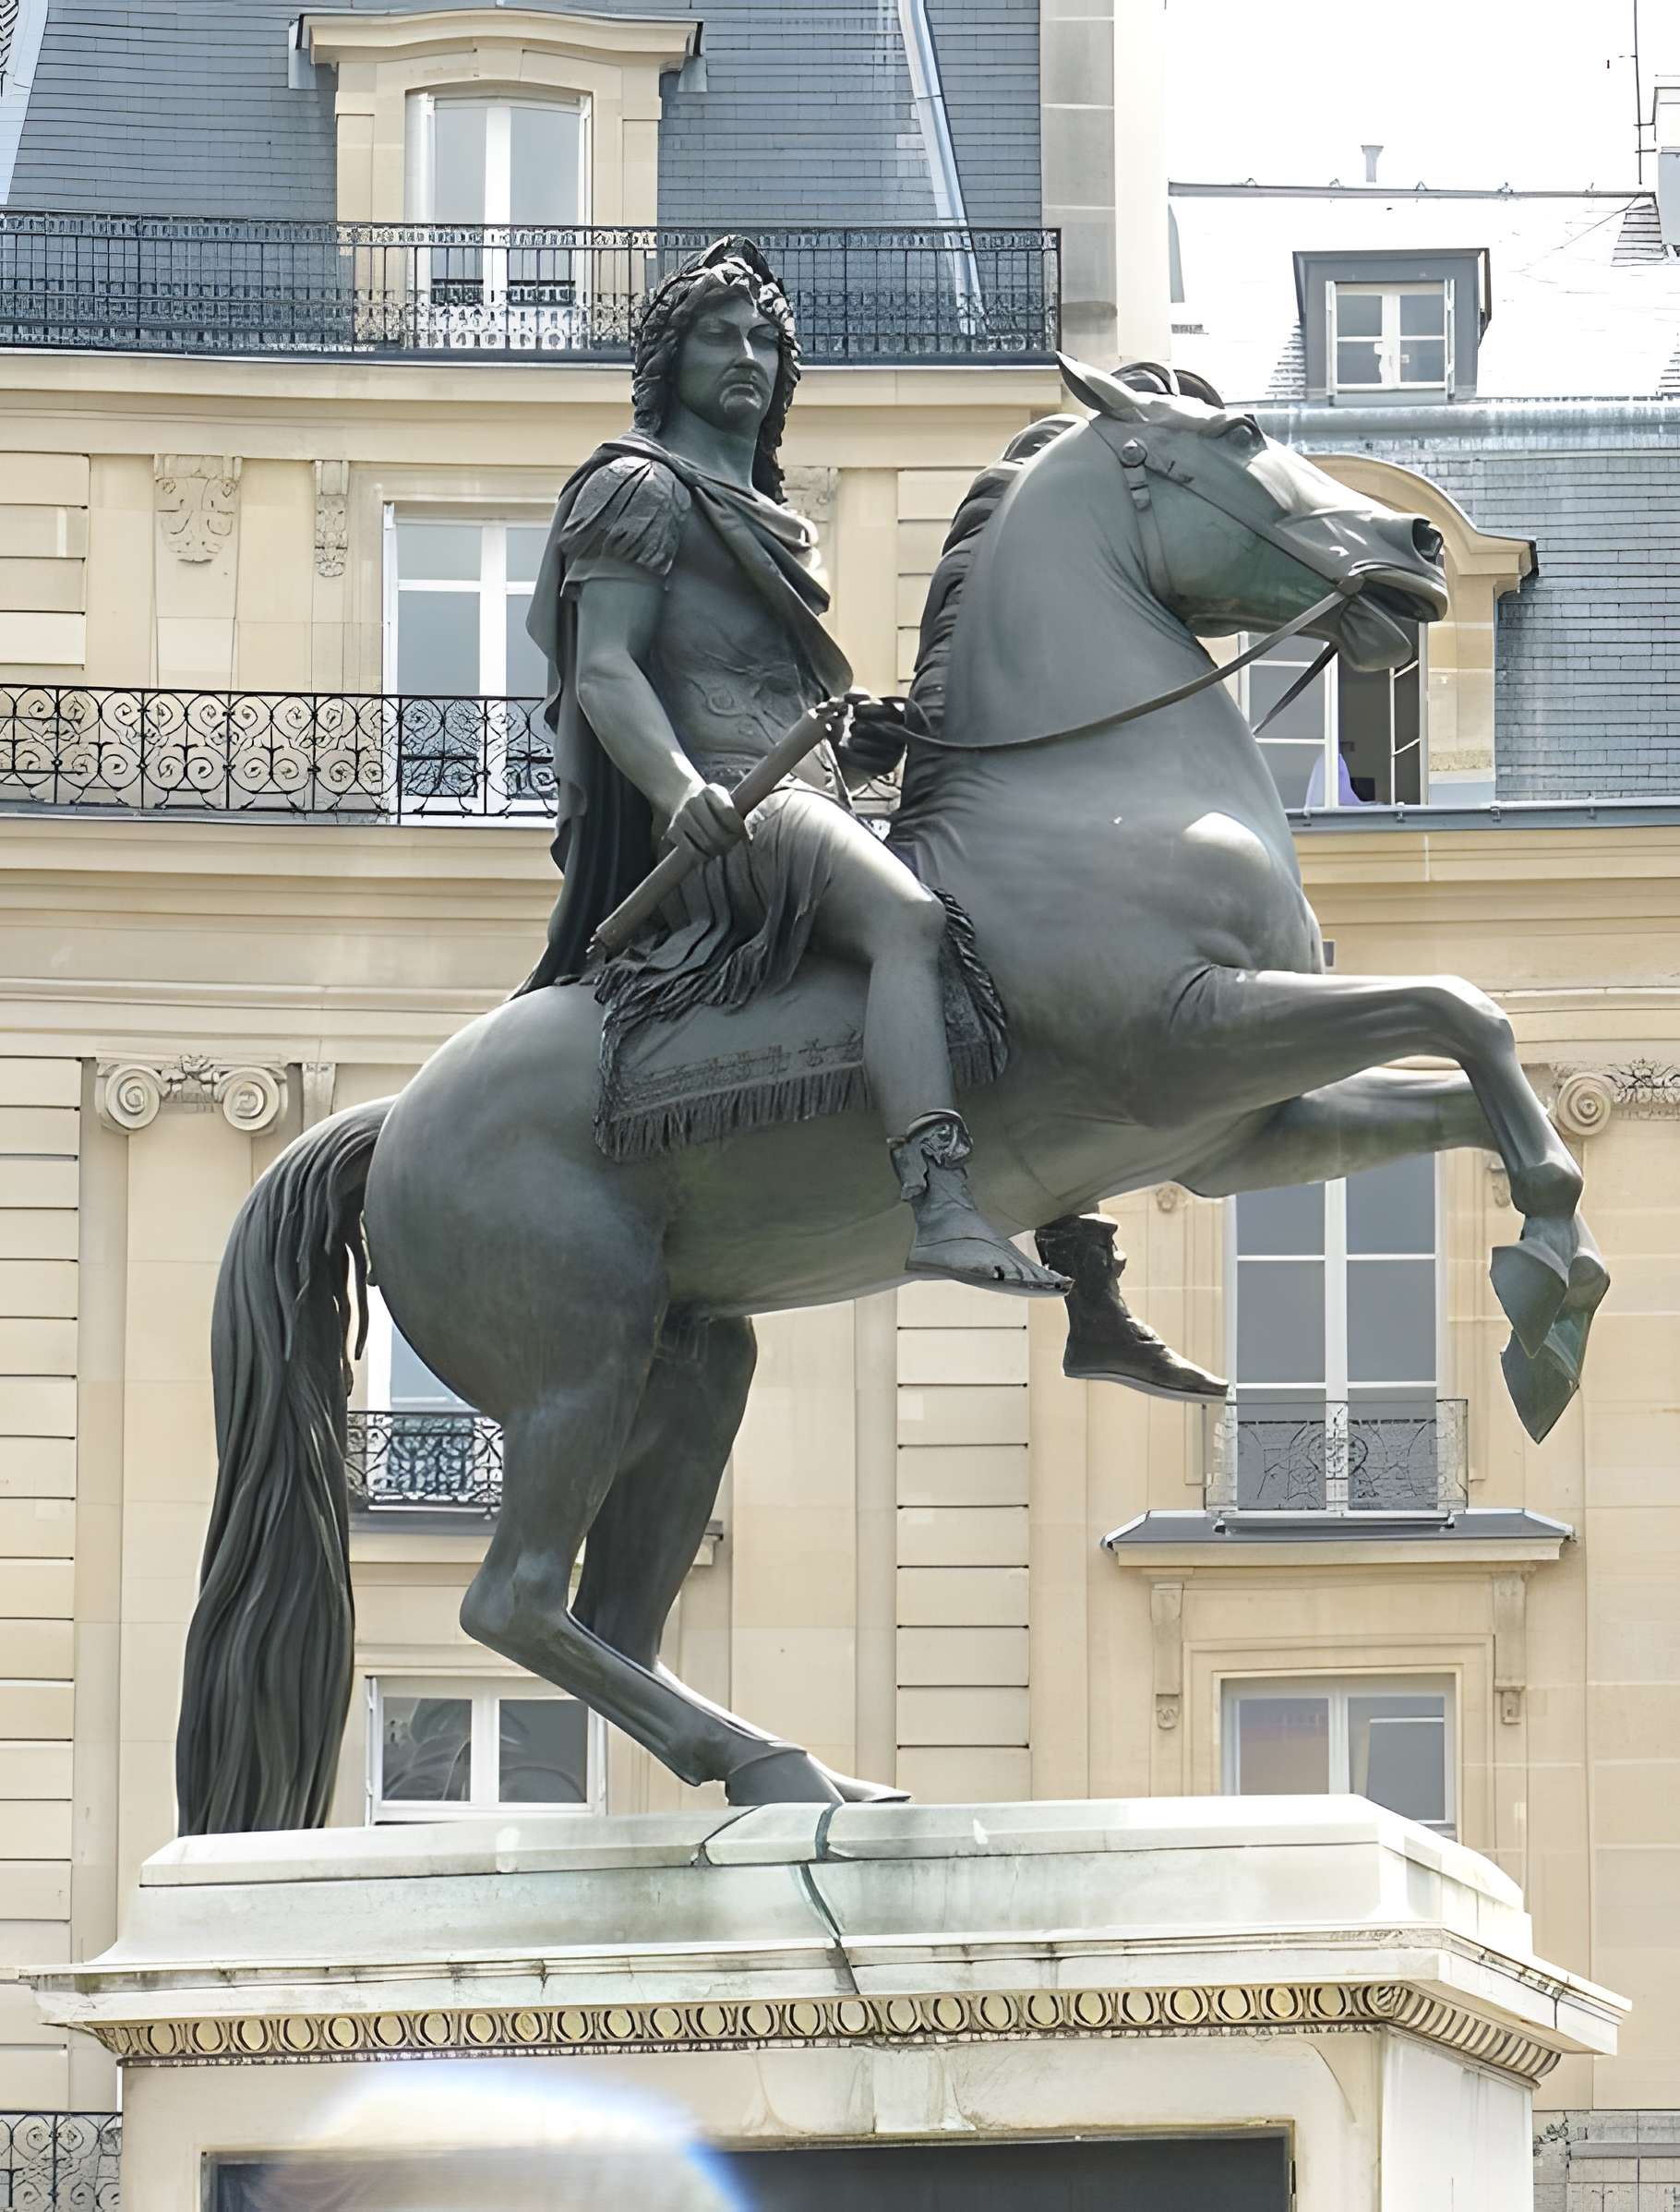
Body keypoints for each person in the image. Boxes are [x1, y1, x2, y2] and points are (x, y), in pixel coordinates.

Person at [521, 238, 1227, 1389]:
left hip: (798, 785)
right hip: (721, 814)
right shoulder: (637, 485)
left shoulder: (760, 505)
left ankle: (1089, 1291)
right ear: (667, 358)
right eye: (717, 335)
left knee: (1027, 956)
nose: (745, 356)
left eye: (762, 341)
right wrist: (678, 791)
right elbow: (606, 670)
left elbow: (764, 678)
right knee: (908, 920)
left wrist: (855, 734)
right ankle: (939, 1198)